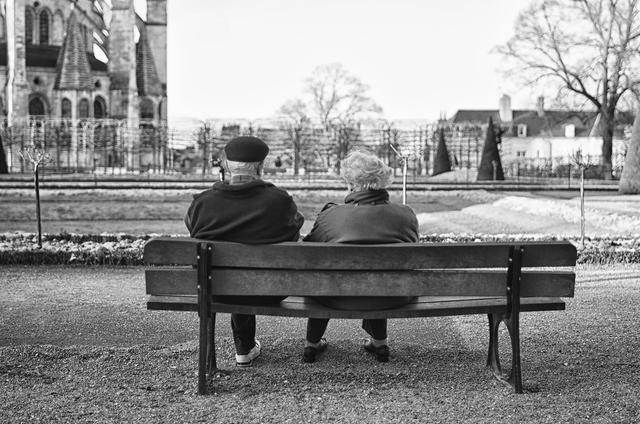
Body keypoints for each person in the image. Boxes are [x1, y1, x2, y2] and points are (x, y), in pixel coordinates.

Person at [185, 136, 304, 367]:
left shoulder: (202, 203)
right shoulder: (279, 201)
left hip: (214, 289)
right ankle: (245, 348)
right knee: (248, 277)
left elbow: (193, 229)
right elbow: (294, 232)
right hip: (271, 289)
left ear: (227, 166)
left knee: (234, 278)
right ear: (260, 166)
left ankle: (243, 348)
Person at [303, 150, 419, 363]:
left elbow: (309, 254)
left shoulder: (331, 215)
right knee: (380, 276)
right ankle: (380, 342)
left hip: (335, 296)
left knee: (322, 276)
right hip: (393, 294)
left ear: (350, 183)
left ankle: (312, 343)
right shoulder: (406, 214)